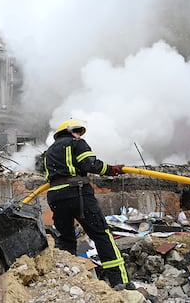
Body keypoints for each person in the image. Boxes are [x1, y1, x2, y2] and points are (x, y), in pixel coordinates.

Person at [43, 119, 135, 290]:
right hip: (78, 194)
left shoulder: (48, 152)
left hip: (56, 198)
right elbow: (90, 164)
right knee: (101, 235)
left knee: (65, 239)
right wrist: (111, 169)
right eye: (78, 131)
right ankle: (120, 281)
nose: (79, 134)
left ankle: (67, 283)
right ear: (72, 132)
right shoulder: (76, 143)